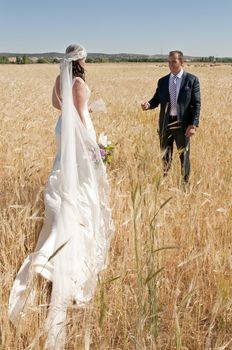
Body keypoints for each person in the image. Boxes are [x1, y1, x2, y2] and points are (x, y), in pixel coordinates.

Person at [8, 44, 114, 350]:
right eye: (84, 55)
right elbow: (81, 117)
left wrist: (77, 109)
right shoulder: (79, 83)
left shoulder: (61, 80)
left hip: (62, 133)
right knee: (82, 196)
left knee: (65, 188)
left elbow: (59, 105)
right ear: (80, 59)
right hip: (78, 138)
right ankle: (64, 259)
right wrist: (97, 151)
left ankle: (51, 252)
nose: (86, 59)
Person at [141, 50, 201, 183]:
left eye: (174, 61)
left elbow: (196, 104)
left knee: (183, 157)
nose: (171, 64)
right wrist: (148, 105)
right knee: (165, 156)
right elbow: (156, 100)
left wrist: (193, 124)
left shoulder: (192, 80)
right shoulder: (162, 81)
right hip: (165, 124)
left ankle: (185, 185)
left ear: (182, 62)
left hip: (183, 125)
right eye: (169, 61)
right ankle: (165, 182)